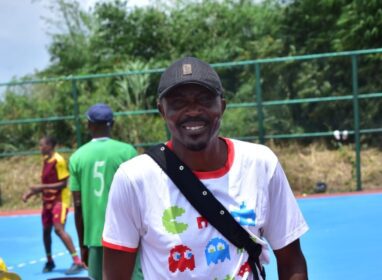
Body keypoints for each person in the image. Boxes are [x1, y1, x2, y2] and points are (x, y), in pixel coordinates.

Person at [102, 57, 309, 279]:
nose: (192, 111)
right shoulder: (134, 178)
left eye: (204, 100)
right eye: (178, 103)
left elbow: (291, 261)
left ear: (222, 105)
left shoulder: (261, 164)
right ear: (162, 111)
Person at [69, 103, 143, 280]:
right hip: (128, 235)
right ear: (113, 124)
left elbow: (78, 206)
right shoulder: (127, 151)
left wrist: (83, 245)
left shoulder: (77, 157)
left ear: (89, 125)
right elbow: (141, 198)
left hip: (95, 237)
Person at [21, 136, 84, 275]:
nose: (40, 148)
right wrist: (30, 193)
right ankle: (50, 260)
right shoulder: (46, 160)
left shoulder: (58, 160)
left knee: (58, 229)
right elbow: (44, 185)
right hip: (48, 201)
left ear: (50, 146)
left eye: (42, 145)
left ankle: (77, 261)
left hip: (60, 200)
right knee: (46, 231)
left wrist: (40, 187)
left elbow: (63, 183)